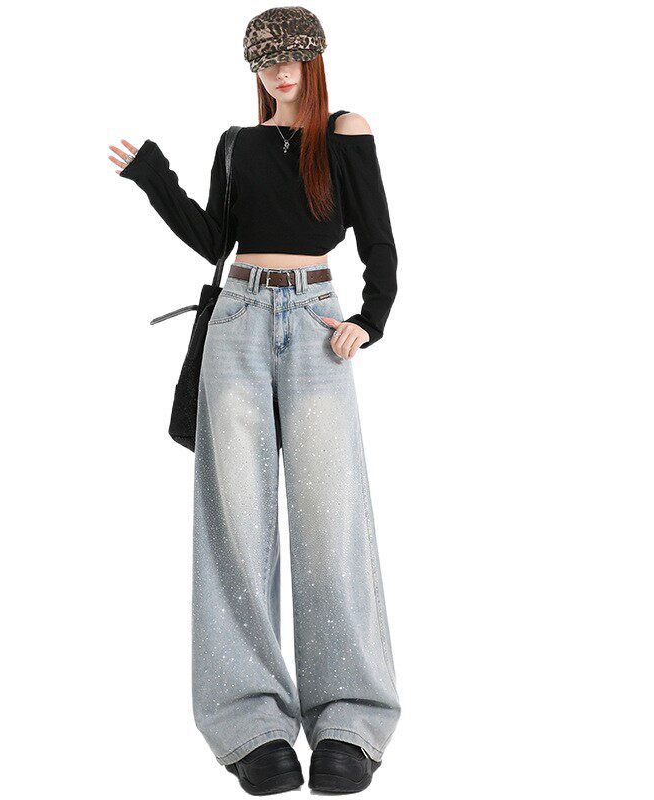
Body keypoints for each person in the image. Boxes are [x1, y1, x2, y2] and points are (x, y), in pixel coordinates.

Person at [108, 7, 400, 795]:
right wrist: (154, 179)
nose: (279, 69)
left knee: (331, 521)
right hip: (235, 321)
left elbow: (378, 239)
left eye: (292, 55)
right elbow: (215, 240)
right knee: (235, 523)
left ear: (313, 60)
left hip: (316, 324)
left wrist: (370, 320)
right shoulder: (236, 143)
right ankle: (252, 726)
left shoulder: (343, 132)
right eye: (266, 58)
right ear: (254, 67)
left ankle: (348, 722)